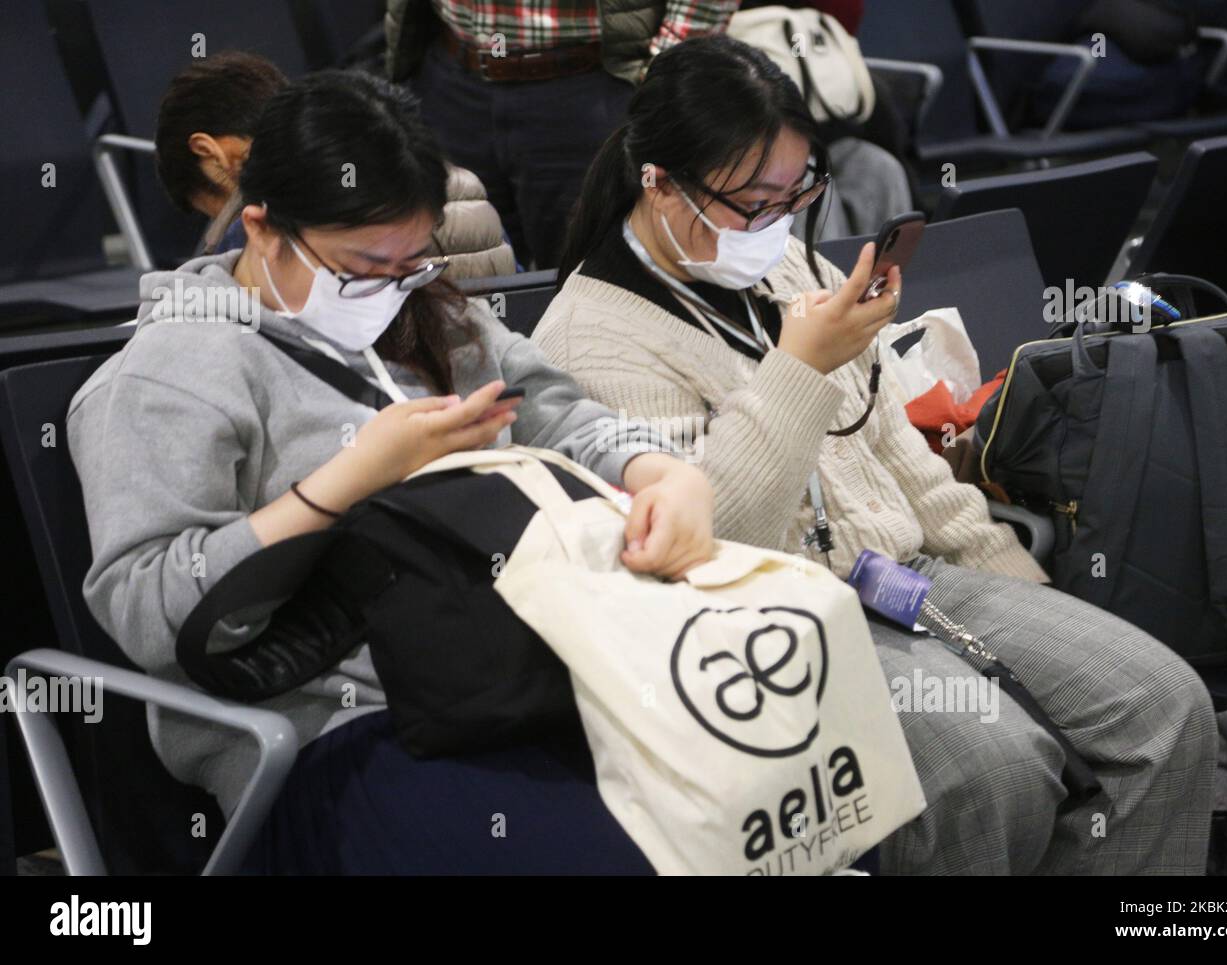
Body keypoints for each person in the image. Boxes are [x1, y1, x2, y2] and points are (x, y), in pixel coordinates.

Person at [534, 35, 1219, 875]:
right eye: (756, 201)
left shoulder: (785, 265)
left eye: (799, 192)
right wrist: (799, 369)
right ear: (662, 183)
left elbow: (906, 460)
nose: (780, 224)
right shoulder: (587, 340)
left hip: (912, 575)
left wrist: (1013, 580)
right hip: (768, 634)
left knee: (1168, 705)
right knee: (993, 771)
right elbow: (703, 547)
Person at [69, 70, 714, 872]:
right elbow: (151, 614)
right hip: (337, 728)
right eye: (359, 267)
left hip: (522, 672)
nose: (385, 290)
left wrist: (661, 472)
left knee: (734, 820)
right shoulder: (167, 373)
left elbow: (555, 412)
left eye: (410, 262)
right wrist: (345, 482)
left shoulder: (419, 306)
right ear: (263, 229)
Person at [384, 0, 740, 269]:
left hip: (591, 87)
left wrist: (664, 72)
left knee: (597, 285)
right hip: (448, 77)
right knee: (459, 289)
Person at [154, 51, 516, 276]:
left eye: (214, 209)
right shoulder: (464, 184)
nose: (233, 221)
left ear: (211, 152)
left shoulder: (263, 220)